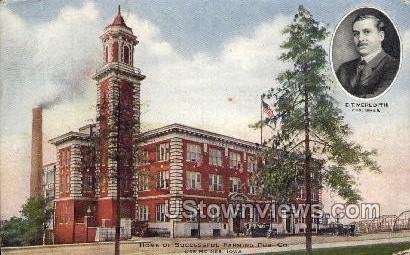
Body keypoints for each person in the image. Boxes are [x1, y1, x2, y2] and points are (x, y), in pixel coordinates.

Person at [336, 14, 399, 98]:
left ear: (381, 36)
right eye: (356, 34)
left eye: (366, 32)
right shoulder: (344, 69)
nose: (360, 38)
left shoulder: (394, 67)